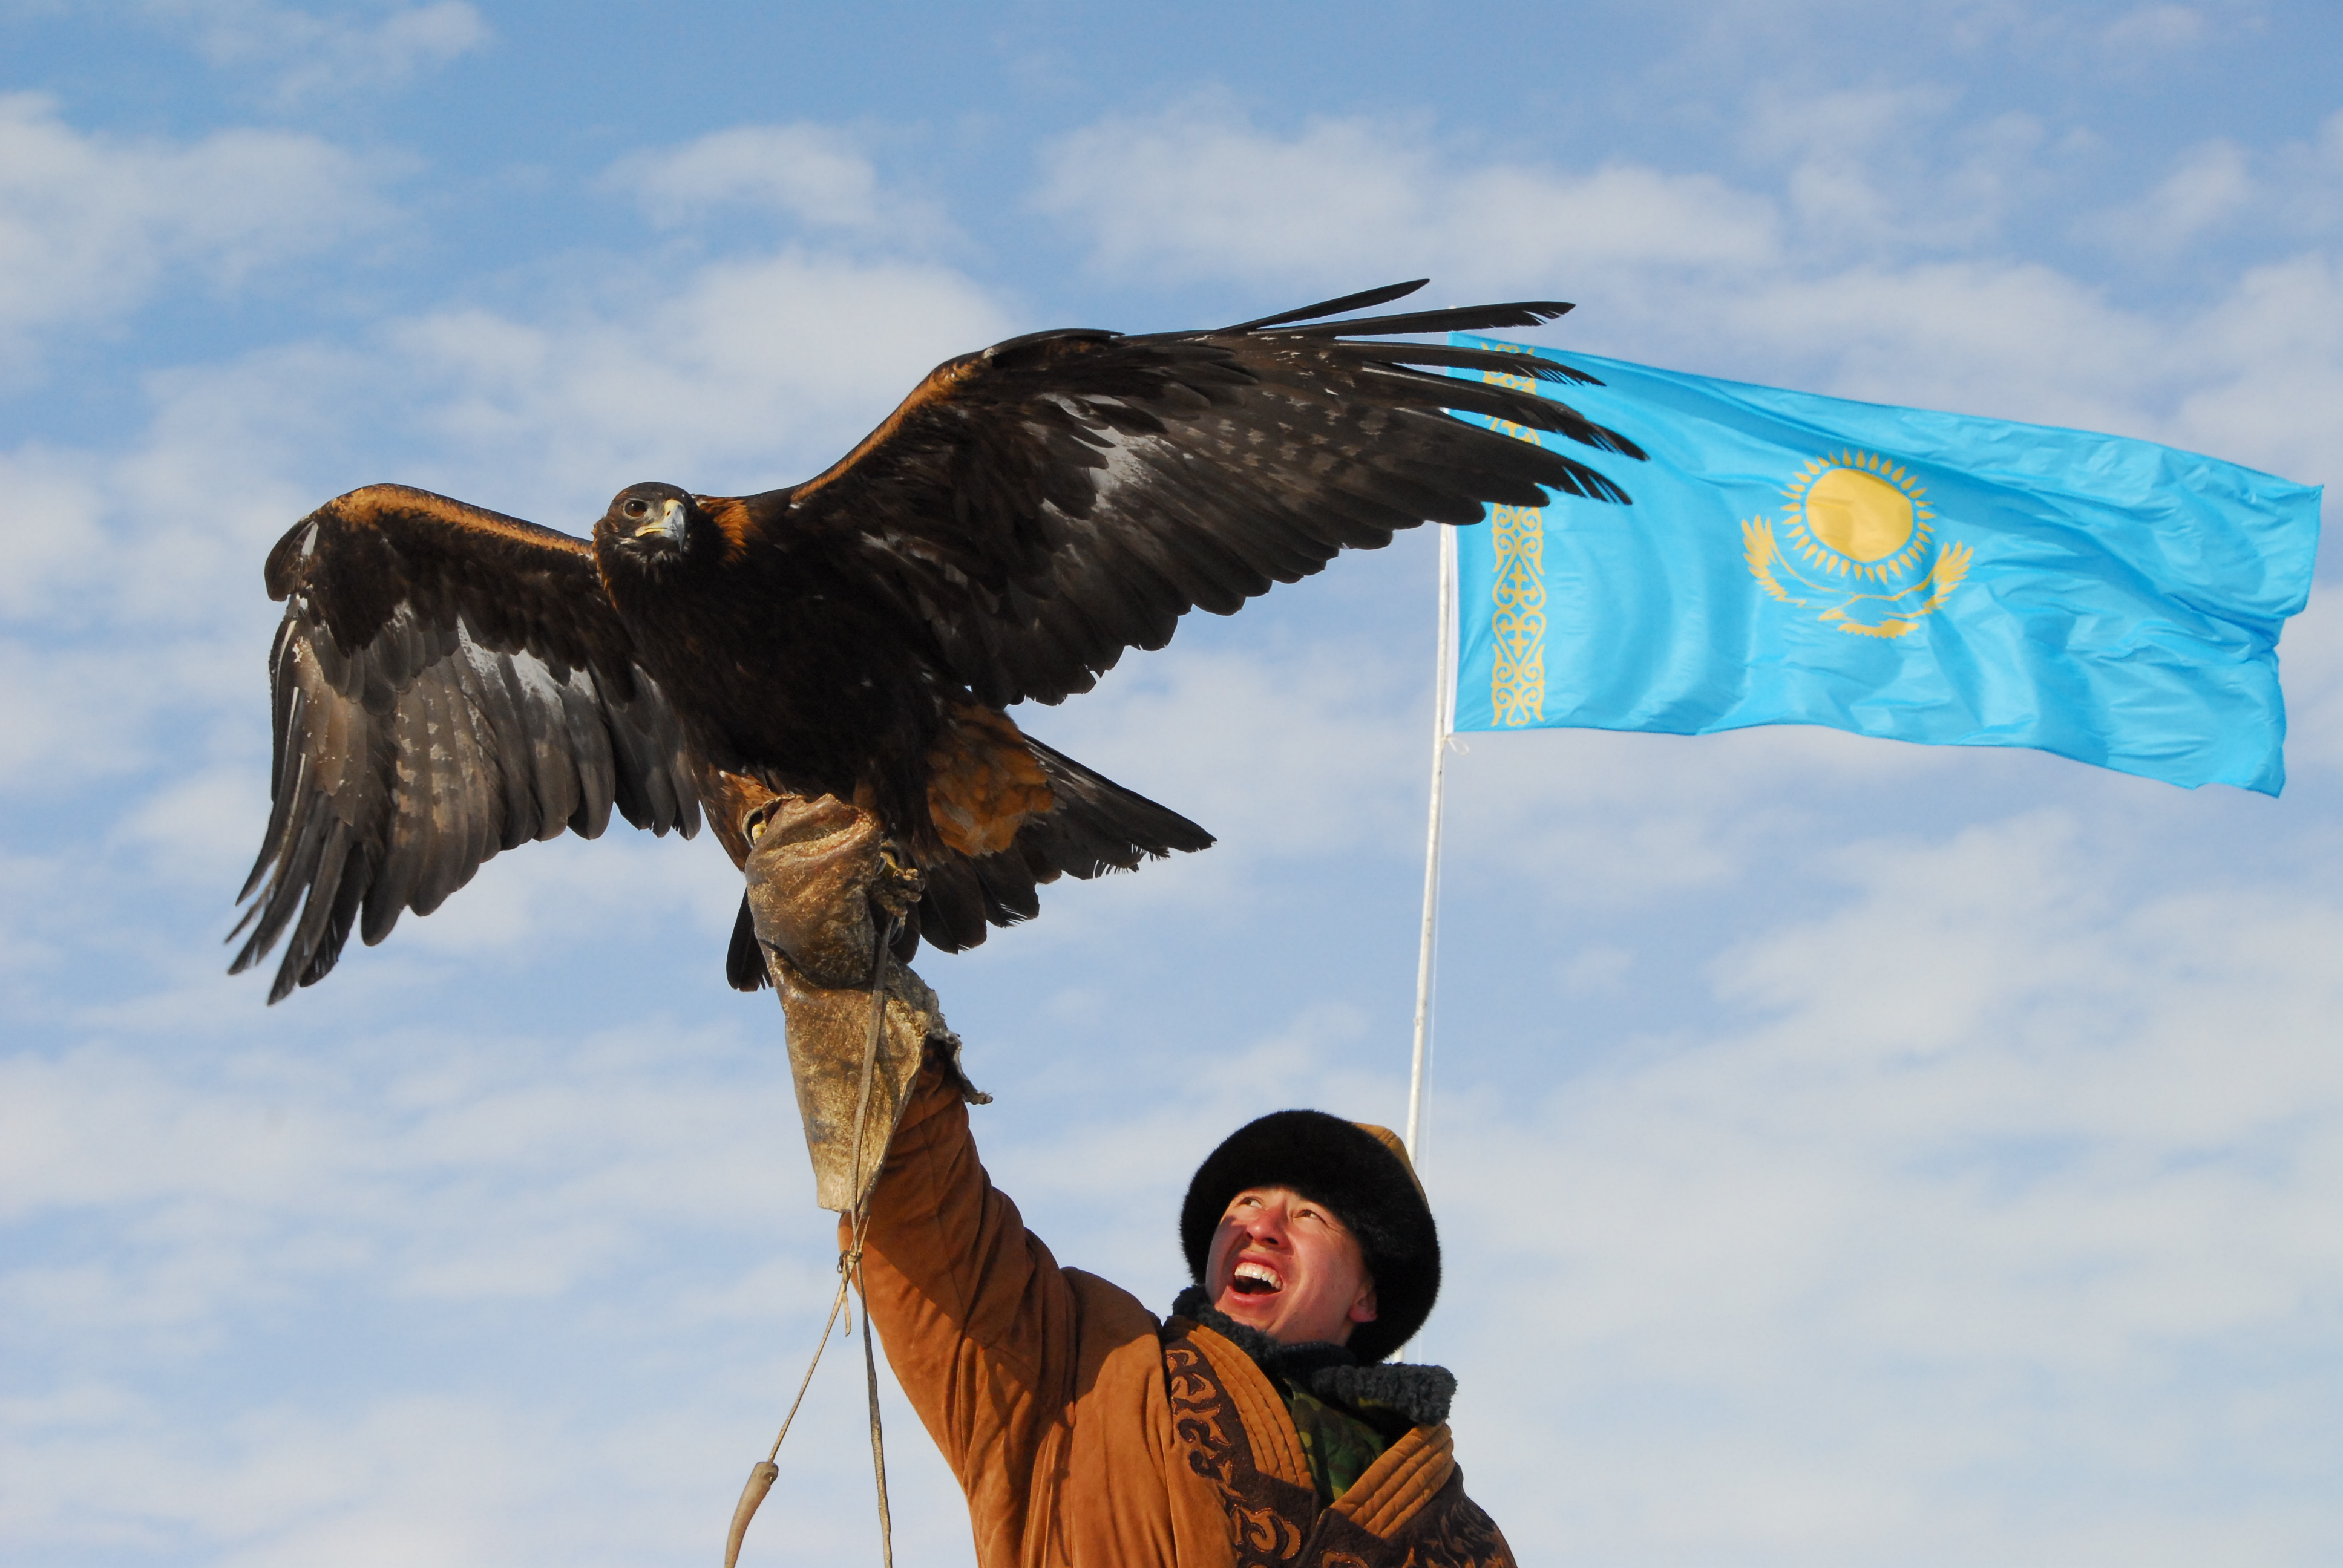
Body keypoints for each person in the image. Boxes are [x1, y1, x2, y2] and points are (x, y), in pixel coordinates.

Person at [742, 792, 1518, 1568]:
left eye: (1308, 1216)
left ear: (1366, 1296)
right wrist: (841, 973)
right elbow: (935, 1225)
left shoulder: (1466, 1544)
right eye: (1246, 1202)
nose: (1259, 1225)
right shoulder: (1083, 1364)